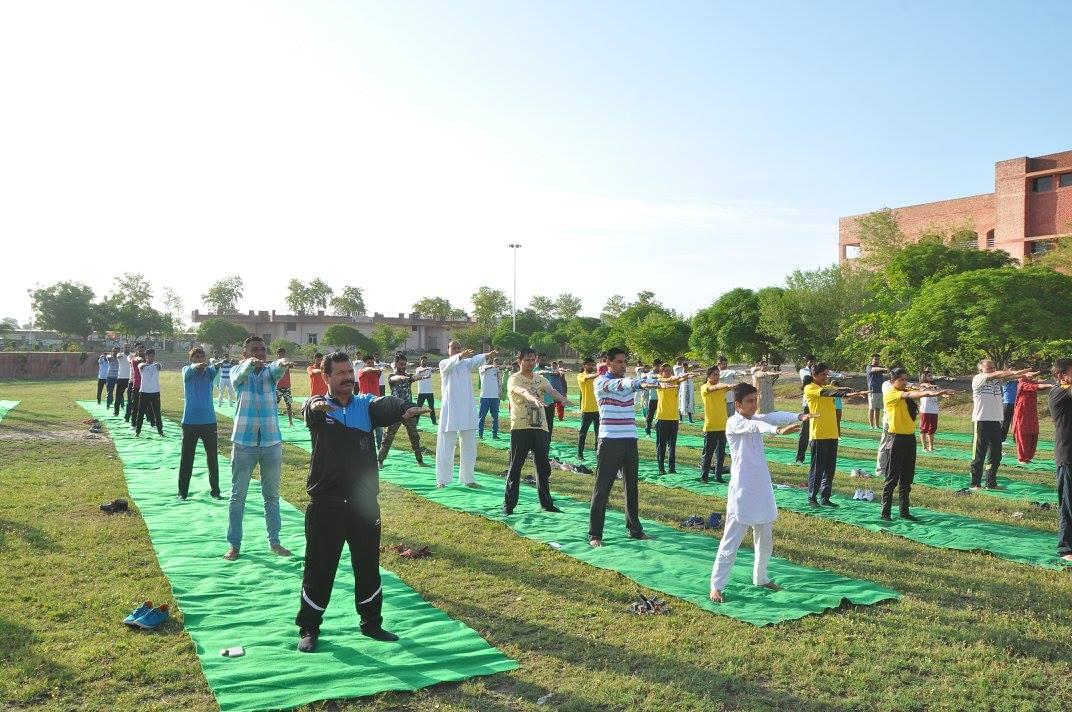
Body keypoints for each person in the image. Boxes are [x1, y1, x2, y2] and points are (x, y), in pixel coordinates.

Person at [296, 352, 428, 652]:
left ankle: (371, 624)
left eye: (349, 372)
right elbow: (312, 409)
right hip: (325, 504)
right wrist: (318, 404)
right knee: (319, 567)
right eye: (340, 373)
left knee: (368, 565)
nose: (347, 377)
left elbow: (385, 405)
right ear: (326, 377)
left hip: (363, 504)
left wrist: (404, 408)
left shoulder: (365, 406)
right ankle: (309, 627)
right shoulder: (316, 405)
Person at [709, 383, 812, 604]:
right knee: (731, 540)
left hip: (762, 487)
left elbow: (773, 416)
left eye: (756, 400)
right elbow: (758, 428)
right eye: (750, 401)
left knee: (765, 538)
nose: (754, 405)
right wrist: (777, 431)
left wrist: (799, 416)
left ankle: (761, 577)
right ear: (737, 404)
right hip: (743, 490)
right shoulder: (734, 422)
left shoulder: (755, 418)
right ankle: (717, 585)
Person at [224, 336, 295, 561]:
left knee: (271, 496)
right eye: (255, 350)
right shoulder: (238, 371)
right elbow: (239, 376)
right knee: (237, 497)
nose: (260, 353)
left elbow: (276, 368)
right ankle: (234, 545)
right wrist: (249, 364)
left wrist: (282, 363)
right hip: (244, 443)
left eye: (263, 350)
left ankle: (275, 541)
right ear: (245, 353)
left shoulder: (270, 374)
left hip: (271, 442)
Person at [588, 347, 660, 547]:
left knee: (632, 486)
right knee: (602, 488)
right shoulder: (601, 382)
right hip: (609, 440)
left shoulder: (628, 384)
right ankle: (595, 534)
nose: (623, 365)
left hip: (630, 439)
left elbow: (637, 384)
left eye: (624, 362)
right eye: (619, 362)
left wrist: (652, 381)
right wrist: (638, 382)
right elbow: (622, 384)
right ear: (608, 362)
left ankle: (635, 530)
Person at [502, 348, 571, 515]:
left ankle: (547, 504)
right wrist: (533, 398)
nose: (531, 363)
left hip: (540, 428)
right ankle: (508, 505)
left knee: (543, 467)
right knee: (515, 467)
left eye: (533, 360)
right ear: (519, 361)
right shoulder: (514, 378)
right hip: (520, 428)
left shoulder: (540, 378)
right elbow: (522, 391)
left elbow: (551, 391)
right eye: (527, 360)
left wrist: (561, 399)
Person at [881, 368, 952, 521]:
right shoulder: (891, 393)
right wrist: (929, 393)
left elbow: (916, 387)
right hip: (895, 439)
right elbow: (910, 394)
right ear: (893, 381)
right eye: (901, 380)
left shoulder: (905, 388)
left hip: (909, 439)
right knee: (892, 478)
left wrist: (933, 389)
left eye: (906, 379)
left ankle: (904, 511)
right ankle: (885, 512)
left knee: (907, 478)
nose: (904, 382)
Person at [436, 341, 497, 488]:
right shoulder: (444, 363)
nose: (457, 350)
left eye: (459, 348)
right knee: (446, 445)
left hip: (467, 410)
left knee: (469, 445)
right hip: (450, 411)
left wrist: (487, 355)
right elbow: (450, 363)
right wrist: (460, 356)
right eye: (453, 348)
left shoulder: (466, 364)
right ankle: (442, 481)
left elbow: (475, 360)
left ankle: (468, 479)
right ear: (448, 349)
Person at [970, 360, 1035, 490]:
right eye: (989, 368)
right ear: (981, 369)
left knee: (995, 455)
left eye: (994, 367)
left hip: (996, 422)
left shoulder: (997, 380)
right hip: (981, 421)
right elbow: (998, 375)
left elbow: (1007, 376)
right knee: (979, 454)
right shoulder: (978, 379)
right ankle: (975, 483)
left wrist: (1021, 375)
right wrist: (1016, 373)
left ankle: (990, 483)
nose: (992, 370)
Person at [803, 363, 854, 507]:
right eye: (823, 375)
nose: (826, 377)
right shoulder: (810, 388)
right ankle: (812, 497)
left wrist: (850, 391)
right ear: (815, 375)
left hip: (832, 433)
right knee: (817, 468)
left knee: (830, 468)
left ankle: (825, 497)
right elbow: (828, 393)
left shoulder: (826, 387)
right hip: (819, 434)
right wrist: (845, 393)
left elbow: (835, 390)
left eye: (827, 374)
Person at [178, 347, 222, 500]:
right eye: (196, 357)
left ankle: (215, 491)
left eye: (202, 356)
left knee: (212, 458)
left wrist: (220, 363)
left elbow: (214, 369)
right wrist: (197, 366)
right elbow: (190, 370)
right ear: (191, 359)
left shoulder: (209, 373)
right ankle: (182, 492)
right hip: (190, 422)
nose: (199, 359)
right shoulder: (187, 370)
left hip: (209, 422)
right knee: (187, 458)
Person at [376, 353, 426, 466]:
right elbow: (395, 378)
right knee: (388, 437)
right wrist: (404, 377)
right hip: (394, 412)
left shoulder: (408, 377)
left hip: (409, 411)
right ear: (396, 364)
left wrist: (422, 376)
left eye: (405, 364)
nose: (403, 366)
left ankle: (420, 460)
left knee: (414, 437)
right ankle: (380, 461)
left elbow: (414, 377)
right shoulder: (391, 377)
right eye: (401, 364)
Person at [1048, 358, 1072, 562]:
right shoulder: (1059, 392)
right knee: (1068, 502)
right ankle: (1065, 548)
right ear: (1061, 375)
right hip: (1067, 455)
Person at [654, 363, 698, 474]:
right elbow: (664, 379)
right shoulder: (659, 380)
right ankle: (661, 468)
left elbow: (681, 378)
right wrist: (679, 377)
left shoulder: (674, 380)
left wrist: (688, 375)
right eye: (666, 371)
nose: (668, 372)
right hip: (662, 417)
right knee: (661, 444)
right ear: (661, 372)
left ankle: (672, 468)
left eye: (670, 370)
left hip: (674, 418)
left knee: (672, 445)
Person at [699, 366, 734, 483]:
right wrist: (723, 386)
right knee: (708, 454)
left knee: (721, 454)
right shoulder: (705, 387)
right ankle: (704, 476)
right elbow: (712, 388)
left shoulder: (721, 388)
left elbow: (728, 387)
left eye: (718, 375)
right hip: (710, 426)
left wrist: (734, 386)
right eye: (714, 374)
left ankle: (718, 476)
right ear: (708, 376)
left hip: (722, 425)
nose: (717, 377)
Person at [1012, 373, 1054, 464]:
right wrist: (1050, 385)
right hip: (1022, 413)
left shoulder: (1031, 382)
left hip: (1031, 413)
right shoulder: (1022, 384)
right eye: (1029, 375)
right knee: (1023, 434)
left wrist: (1048, 384)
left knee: (1033, 433)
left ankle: (1028, 457)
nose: (1032, 376)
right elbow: (1038, 386)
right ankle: (1022, 457)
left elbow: (1039, 384)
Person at [134, 348, 164, 437]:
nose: (150, 358)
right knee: (141, 412)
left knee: (157, 413)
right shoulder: (141, 365)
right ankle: (137, 431)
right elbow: (141, 366)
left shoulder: (157, 365)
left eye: (152, 356)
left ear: (154, 356)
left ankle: (160, 431)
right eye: (148, 356)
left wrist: (156, 365)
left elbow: (159, 367)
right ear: (146, 356)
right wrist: (145, 363)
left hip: (155, 392)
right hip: (144, 392)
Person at [357, 355, 385, 450]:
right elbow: (367, 370)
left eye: (372, 363)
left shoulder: (376, 372)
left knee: (379, 428)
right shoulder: (361, 371)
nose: (371, 365)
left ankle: (380, 450)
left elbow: (379, 371)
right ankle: (364, 450)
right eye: (368, 363)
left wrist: (379, 369)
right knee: (365, 428)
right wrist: (377, 368)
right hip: (364, 403)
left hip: (376, 402)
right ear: (364, 364)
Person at [576, 357, 600, 460]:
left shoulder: (597, 377)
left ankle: (598, 453)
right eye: (588, 364)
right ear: (584, 365)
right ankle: (579, 453)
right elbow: (588, 377)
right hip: (586, 409)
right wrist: (599, 374)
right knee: (583, 433)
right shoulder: (581, 376)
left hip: (598, 409)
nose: (591, 366)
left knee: (598, 434)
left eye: (592, 364)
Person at [795, 354, 817, 462]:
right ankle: (800, 457)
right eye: (811, 361)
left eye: (814, 361)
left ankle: (816, 457)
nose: (813, 363)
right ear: (807, 362)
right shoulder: (804, 371)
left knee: (816, 432)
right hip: (807, 404)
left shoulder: (816, 372)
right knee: (804, 431)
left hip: (817, 404)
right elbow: (808, 378)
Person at [477, 358, 502, 440]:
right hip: (485, 396)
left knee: (495, 417)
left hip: (495, 397)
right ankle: (480, 434)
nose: (489, 361)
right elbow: (486, 368)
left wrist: (500, 392)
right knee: (482, 416)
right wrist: (493, 366)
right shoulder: (482, 368)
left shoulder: (497, 370)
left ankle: (495, 434)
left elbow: (499, 381)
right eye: (487, 360)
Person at [919, 372, 941, 453]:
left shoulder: (935, 386)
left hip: (934, 410)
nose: (931, 377)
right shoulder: (922, 386)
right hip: (925, 410)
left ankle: (931, 446)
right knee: (924, 428)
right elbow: (925, 393)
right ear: (924, 377)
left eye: (931, 375)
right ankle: (924, 447)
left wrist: (945, 394)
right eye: (929, 376)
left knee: (932, 428)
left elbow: (939, 393)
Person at [865, 354, 888, 429]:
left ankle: (877, 425)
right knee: (871, 408)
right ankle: (871, 425)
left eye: (878, 359)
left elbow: (886, 371)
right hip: (872, 391)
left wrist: (886, 369)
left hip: (880, 391)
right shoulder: (869, 367)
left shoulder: (881, 368)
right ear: (872, 359)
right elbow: (874, 370)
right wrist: (883, 369)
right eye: (875, 359)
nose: (877, 361)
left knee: (878, 408)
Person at [125, 343, 146, 425]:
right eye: (139, 349)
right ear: (136, 349)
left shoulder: (146, 358)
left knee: (143, 403)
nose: (141, 351)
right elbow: (133, 360)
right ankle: (127, 417)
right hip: (132, 381)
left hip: (143, 383)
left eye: (142, 350)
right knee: (131, 402)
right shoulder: (131, 357)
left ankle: (144, 418)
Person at [275, 347, 296, 427]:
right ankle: (274, 422)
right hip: (278, 387)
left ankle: (290, 422)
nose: (282, 356)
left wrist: (290, 364)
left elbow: (291, 366)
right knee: (274, 405)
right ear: (277, 355)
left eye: (283, 354)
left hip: (287, 387)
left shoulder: (286, 362)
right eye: (280, 354)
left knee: (289, 405)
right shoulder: (276, 363)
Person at [413, 356, 437, 425]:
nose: (424, 362)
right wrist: (425, 370)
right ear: (420, 361)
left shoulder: (429, 368)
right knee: (419, 408)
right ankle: (416, 422)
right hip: (421, 392)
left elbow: (434, 369)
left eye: (425, 361)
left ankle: (434, 421)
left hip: (430, 392)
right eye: (423, 360)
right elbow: (418, 372)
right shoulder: (418, 369)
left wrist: (437, 368)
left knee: (431, 407)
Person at [643, 359, 664, 437]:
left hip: (661, 397)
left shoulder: (661, 373)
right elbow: (653, 379)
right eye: (659, 366)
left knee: (661, 415)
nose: (660, 367)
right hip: (653, 398)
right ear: (655, 365)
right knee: (650, 415)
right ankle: (648, 431)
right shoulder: (650, 374)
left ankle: (659, 429)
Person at [113, 344, 132, 416]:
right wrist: (118, 355)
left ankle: (130, 412)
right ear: (123, 348)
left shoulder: (132, 356)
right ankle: (116, 411)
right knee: (118, 396)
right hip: (121, 378)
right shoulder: (120, 355)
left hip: (130, 379)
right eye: (126, 347)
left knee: (130, 397)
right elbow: (117, 356)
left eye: (128, 347)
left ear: (130, 348)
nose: (127, 348)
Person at [676, 357, 695, 423]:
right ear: (682, 367)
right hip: (683, 391)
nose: (686, 368)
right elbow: (684, 377)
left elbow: (691, 376)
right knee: (681, 404)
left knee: (690, 403)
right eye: (685, 367)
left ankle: (690, 419)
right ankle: (680, 419)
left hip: (689, 391)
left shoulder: (689, 373)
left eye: (687, 367)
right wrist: (690, 375)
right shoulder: (681, 374)